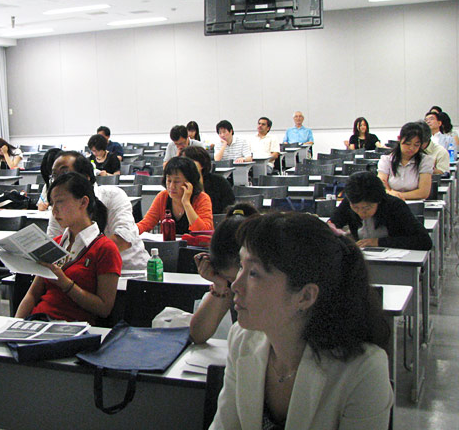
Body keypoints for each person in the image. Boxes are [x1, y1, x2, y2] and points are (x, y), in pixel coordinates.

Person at [210, 212, 392, 429]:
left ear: (305, 296)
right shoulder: (242, 339)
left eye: (254, 273)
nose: (235, 285)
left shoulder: (363, 370)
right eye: (241, 266)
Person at [15, 172, 122, 324]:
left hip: (71, 327)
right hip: (38, 320)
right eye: (52, 204)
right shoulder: (55, 243)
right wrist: (15, 324)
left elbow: (104, 308)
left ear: (83, 202)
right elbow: (32, 295)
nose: (54, 211)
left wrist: (64, 283)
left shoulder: (105, 248)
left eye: (60, 202)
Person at [48, 151, 149, 269]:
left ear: (85, 177)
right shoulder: (57, 209)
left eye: (65, 173)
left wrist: (82, 260)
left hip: (129, 271)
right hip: (81, 274)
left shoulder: (113, 196)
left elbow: (124, 239)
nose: (58, 180)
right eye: (54, 175)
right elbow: (52, 247)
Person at [189, 203, 259, 344]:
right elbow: (197, 335)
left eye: (245, 276)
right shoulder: (228, 285)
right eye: (230, 280)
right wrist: (219, 286)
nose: (235, 286)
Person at [329, 171, 432, 250]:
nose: (361, 213)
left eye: (367, 208)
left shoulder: (395, 206)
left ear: (378, 201)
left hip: (394, 261)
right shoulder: (349, 202)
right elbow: (333, 225)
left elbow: (424, 241)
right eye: (356, 208)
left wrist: (378, 242)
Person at [137, 156, 214, 234]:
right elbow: (146, 224)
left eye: (177, 181)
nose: (172, 186)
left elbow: (204, 232)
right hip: (168, 242)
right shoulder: (162, 197)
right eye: (169, 181)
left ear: (190, 182)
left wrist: (186, 203)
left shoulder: (202, 198)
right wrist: (131, 231)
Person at [377, 121, 433, 200]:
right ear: (399, 139)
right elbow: (381, 186)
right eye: (407, 144)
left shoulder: (425, 160)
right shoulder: (387, 159)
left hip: (416, 203)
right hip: (391, 203)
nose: (411, 148)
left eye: (416, 145)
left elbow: (423, 193)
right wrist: (390, 193)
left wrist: (396, 195)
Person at [181, 145, 235, 214]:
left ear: (202, 164)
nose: (185, 166)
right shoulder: (180, 184)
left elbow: (230, 208)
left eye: (190, 162)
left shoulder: (219, 182)